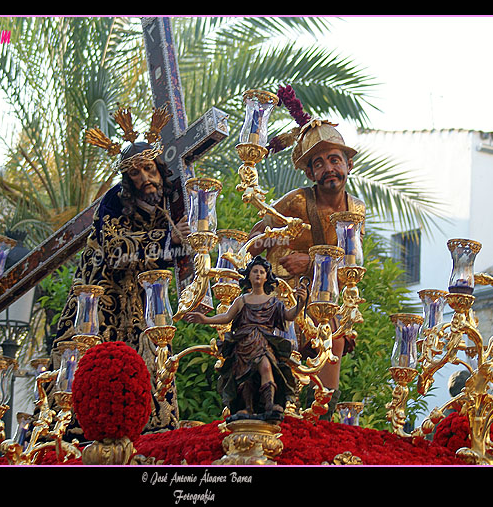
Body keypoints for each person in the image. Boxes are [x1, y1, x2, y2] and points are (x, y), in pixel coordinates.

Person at [50, 107, 191, 438]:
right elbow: (116, 252)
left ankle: (153, 432)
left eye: (147, 169)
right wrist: (168, 238)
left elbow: (170, 256)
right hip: (99, 303)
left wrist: (185, 242)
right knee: (96, 374)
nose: (144, 178)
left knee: (151, 368)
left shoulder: (170, 203)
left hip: (144, 303)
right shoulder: (114, 201)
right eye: (135, 174)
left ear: (158, 167)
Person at [247, 86, 366, 420]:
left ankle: (319, 423)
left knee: (332, 355)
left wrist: (310, 262)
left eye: (335, 160)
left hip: (326, 301)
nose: (329, 168)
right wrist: (274, 244)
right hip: (286, 298)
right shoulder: (298, 201)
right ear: (310, 173)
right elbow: (257, 237)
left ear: (348, 165)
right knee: (279, 367)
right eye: (319, 163)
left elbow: (352, 263)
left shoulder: (357, 209)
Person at [184, 255, 307, 423]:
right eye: (254, 271)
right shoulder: (241, 300)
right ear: (249, 275)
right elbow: (226, 317)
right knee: (244, 377)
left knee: (266, 367)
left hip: (264, 342)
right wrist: (206, 319)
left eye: (261, 272)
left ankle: (270, 404)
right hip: (243, 344)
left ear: (266, 277)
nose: (258, 274)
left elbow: (289, 315)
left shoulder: (273, 302)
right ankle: (246, 407)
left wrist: (301, 304)